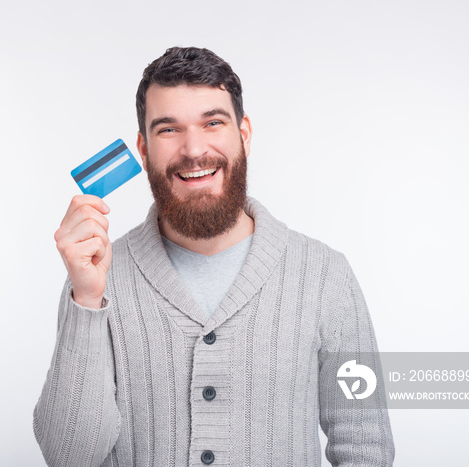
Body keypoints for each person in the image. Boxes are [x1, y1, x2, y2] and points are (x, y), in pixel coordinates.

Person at [33, 46, 395, 466]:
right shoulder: (96, 278)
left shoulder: (324, 275)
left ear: (243, 133)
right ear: (143, 148)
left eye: (213, 123)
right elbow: (67, 457)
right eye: (168, 129)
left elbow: (366, 448)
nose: (193, 149)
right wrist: (87, 301)